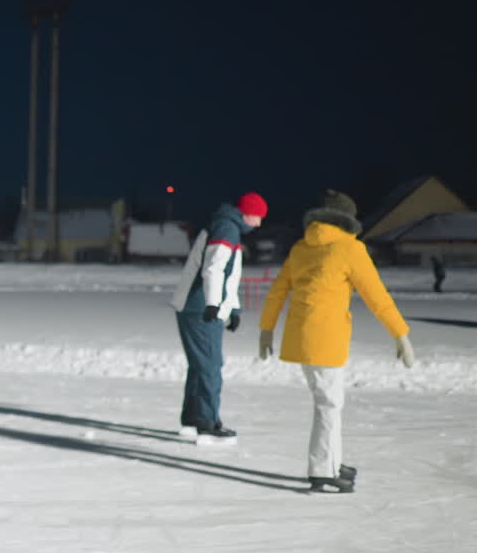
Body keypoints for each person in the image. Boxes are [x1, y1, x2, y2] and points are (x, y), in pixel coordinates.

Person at [258, 189, 415, 493]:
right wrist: (401, 334)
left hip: (300, 338)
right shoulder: (349, 249)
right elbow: (376, 296)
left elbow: (278, 291)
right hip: (326, 338)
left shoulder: (301, 248)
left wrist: (266, 330)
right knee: (329, 404)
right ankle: (322, 471)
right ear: (347, 221)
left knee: (328, 401)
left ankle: (332, 461)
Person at [169, 192, 267, 444]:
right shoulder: (227, 229)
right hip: (200, 307)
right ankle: (206, 423)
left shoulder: (225, 225)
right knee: (211, 366)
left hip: (198, 305)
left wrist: (232, 308)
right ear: (248, 214)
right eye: (259, 217)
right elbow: (213, 268)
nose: (260, 223)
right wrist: (213, 305)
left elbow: (228, 276)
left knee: (201, 365)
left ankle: (192, 419)